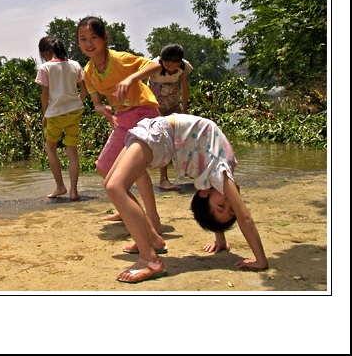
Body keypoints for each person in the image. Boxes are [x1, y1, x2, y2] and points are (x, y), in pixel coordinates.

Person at [104, 113, 269, 283]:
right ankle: (153, 238)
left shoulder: (217, 177)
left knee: (115, 187)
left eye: (222, 206)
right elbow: (245, 217)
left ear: (203, 193)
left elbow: (221, 209)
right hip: (159, 131)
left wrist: (223, 238)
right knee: (111, 183)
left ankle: (149, 260)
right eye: (230, 208)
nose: (229, 202)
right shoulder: (222, 176)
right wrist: (260, 259)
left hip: (161, 135)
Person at [76, 16, 161, 228]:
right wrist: (102, 110)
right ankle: (131, 211)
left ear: (104, 38)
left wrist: (132, 78)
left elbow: (156, 65)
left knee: (137, 169)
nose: (88, 44)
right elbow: (96, 102)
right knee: (104, 166)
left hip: (144, 113)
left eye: (93, 38)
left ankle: (152, 221)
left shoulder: (121, 60)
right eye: (83, 39)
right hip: (123, 119)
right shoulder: (88, 72)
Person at [35, 36, 88, 201]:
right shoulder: (75, 65)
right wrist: (76, 103)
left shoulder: (45, 68)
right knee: (72, 152)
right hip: (74, 113)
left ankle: (60, 186)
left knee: (50, 148)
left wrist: (45, 114)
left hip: (55, 114)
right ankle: (74, 191)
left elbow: (45, 96)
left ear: (45, 52)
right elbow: (85, 90)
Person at [147, 43, 193, 191]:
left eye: (174, 66)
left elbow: (184, 87)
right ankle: (163, 180)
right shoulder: (153, 66)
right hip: (156, 107)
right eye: (167, 65)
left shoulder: (184, 67)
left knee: (183, 137)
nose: (171, 69)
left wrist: (185, 109)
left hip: (173, 105)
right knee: (163, 142)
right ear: (161, 60)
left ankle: (188, 170)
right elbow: (142, 87)